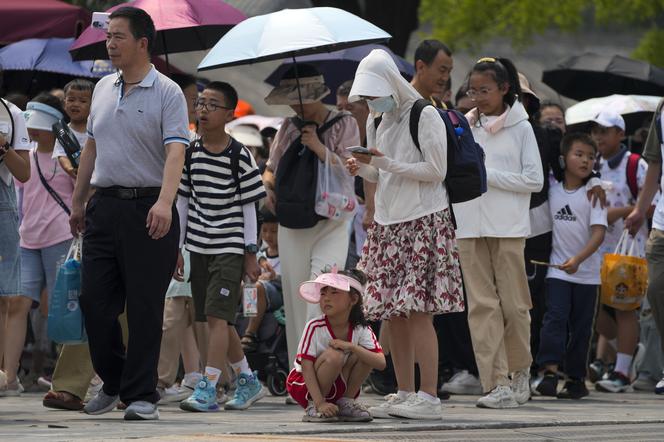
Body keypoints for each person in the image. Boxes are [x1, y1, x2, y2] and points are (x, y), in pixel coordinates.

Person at [69, 7, 190, 420]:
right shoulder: (102, 87)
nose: (110, 43)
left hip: (149, 206)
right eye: (109, 36)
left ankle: (141, 396)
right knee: (93, 301)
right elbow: (91, 147)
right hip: (104, 206)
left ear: (142, 43)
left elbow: (176, 150)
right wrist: (79, 199)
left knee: (143, 306)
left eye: (119, 36)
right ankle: (114, 378)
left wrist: (165, 202)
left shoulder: (168, 92)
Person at [346, 48, 464, 420]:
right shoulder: (377, 119)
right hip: (388, 223)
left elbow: (436, 170)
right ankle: (404, 390)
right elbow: (380, 175)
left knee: (419, 312)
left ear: (391, 83)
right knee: (393, 313)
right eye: (365, 96)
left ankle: (429, 396)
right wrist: (361, 168)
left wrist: (382, 162)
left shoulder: (424, 114)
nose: (370, 101)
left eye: (373, 92)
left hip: (423, 220)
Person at [453, 57, 543, 409]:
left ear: (504, 89)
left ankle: (520, 372)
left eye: (485, 90)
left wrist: (488, 176)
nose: (477, 97)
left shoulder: (522, 127)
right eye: (473, 90)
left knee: (515, 305)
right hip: (469, 225)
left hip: (507, 227)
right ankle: (495, 382)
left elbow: (534, 180)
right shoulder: (464, 125)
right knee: (481, 306)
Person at [262, 64, 360, 371]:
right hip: (293, 222)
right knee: (295, 297)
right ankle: (299, 373)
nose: (295, 104)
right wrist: (268, 184)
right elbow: (271, 166)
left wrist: (319, 148)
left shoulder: (345, 123)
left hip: (332, 221)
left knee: (321, 291)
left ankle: (320, 369)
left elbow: (352, 168)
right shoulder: (289, 127)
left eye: (299, 98)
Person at [177, 81, 267, 412]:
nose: (202, 110)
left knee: (216, 316)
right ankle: (247, 380)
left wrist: (250, 253)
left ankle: (208, 387)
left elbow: (249, 207)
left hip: (229, 246)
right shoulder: (190, 152)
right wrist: (178, 246)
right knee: (219, 319)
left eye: (211, 105)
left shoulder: (239, 154)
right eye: (200, 104)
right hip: (198, 246)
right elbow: (183, 201)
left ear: (229, 114)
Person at [6, 94, 74, 396]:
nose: (33, 131)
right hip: (27, 237)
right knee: (17, 304)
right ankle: (9, 375)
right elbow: (18, 197)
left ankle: (66, 375)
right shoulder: (27, 155)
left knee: (62, 307)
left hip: (61, 236)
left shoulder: (68, 155)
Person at [532, 133, 607, 399]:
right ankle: (549, 373)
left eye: (590, 156)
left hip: (587, 276)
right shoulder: (551, 191)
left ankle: (576, 379)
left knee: (582, 328)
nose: (585, 160)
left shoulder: (594, 194)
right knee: (554, 319)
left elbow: (599, 233)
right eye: (579, 154)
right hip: (557, 272)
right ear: (564, 159)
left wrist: (579, 259)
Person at [591, 111, 653, 393]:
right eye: (596, 131)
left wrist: (621, 212)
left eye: (605, 131)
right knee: (599, 310)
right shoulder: (594, 164)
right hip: (598, 248)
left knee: (624, 309)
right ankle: (625, 354)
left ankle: (621, 372)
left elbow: (653, 201)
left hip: (629, 248)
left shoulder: (634, 164)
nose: (599, 137)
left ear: (620, 134)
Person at [287, 268, 384, 422]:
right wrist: (319, 402)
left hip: (338, 383)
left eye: (334, 292)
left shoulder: (361, 328)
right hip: (307, 387)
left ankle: (346, 402)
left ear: (353, 299)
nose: (326, 298)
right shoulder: (314, 326)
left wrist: (352, 347)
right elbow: (306, 367)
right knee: (335, 356)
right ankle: (313, 406)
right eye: (323, 293)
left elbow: (380, 362)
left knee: (364, 355)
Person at [626, 97, 664, 395]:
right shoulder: (662, 109)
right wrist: (640, 208)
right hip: (662, 224)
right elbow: (655, 162)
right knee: (656, 290)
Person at [0, 79, 32, 395]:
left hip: (2, 205)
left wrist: (3, 145)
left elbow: (23, 173)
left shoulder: (11, 114)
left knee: (2, 297)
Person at [240, 208, 283, 353]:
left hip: (276, 293)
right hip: (256, 292)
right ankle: (244, 323)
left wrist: (273, 277)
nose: (268, 235)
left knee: (256, 287)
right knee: (247, 286)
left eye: (274, 231)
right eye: (265, 231)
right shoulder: (260, 256)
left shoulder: (286, 255)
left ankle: (250, 333)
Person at [52, 79, 94, 178]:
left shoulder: (96, 128)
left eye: (83, 101)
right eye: (71, 100)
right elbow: (61, 155)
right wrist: (69, 168)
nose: (75, 104)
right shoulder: (63, 131)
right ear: (64, 103)